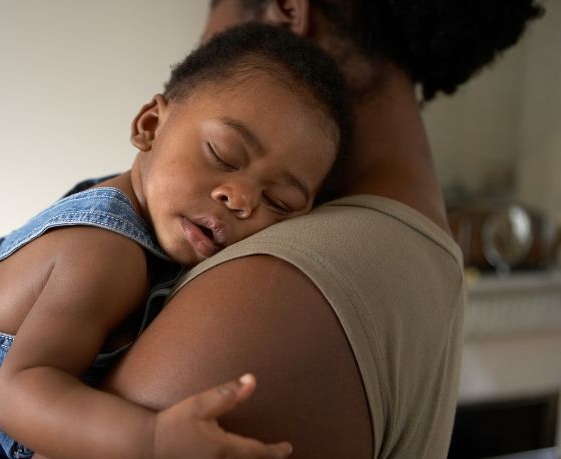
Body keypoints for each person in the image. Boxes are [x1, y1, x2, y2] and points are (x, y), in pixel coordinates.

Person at [0, 23, 351, 458]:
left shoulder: (150, 208)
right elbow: (20, 397)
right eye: (223, 155)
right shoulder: (105, 253)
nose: (242, 198)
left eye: (281, 201)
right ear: (149, 127)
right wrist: (152, 439)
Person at [98, 1, 545, 458]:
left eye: (213, 27)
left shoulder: (275, 288)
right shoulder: (411, 249)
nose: (241, 199)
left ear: (289, 13)